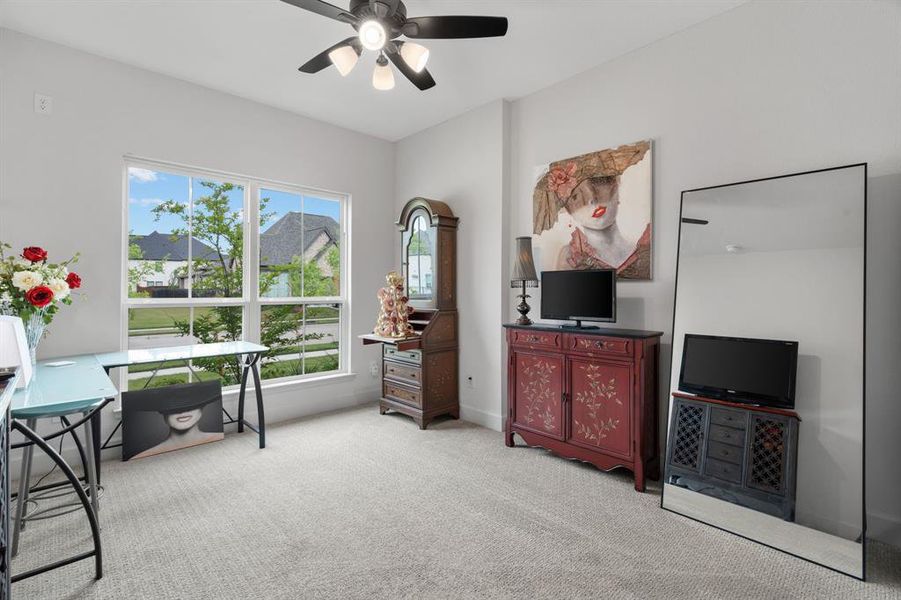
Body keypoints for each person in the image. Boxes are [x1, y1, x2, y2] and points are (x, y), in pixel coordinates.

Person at [127, 381, 224, 460]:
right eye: (173, 406)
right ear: (162, 410)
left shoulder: (221, 440)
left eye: (192, 403)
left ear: (203, 406)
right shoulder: (141, 458)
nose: (183, 411)